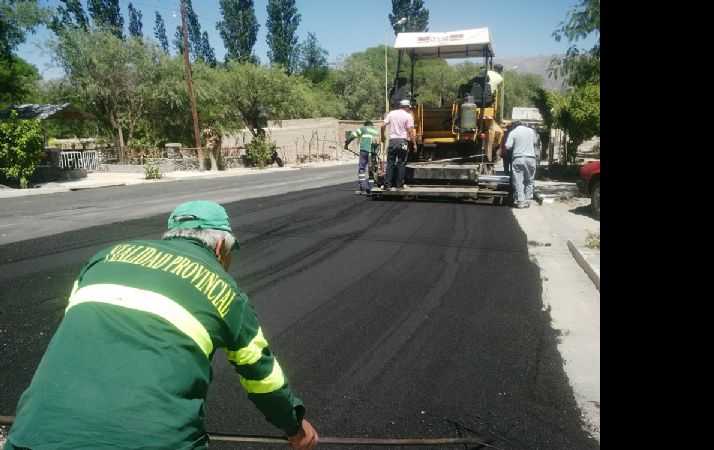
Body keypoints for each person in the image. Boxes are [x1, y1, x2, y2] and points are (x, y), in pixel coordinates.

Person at [5, 200, 319, 450]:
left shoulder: (104, 258)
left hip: (34, 434)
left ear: (170, 235)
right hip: (153, 440)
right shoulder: (227, 293)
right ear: (221, 246)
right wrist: (294, 425)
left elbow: (77, 324)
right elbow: (262, 375)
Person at [381, 99, 417, 190]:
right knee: (401, 163)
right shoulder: (408, 116)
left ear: (400, 106)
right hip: (402, 142)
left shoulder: (391, 114)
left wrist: (382, 136)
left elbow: (382, 126)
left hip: (392, 141)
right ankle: (399, 185)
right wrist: (414, 144)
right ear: (408, 107)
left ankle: (387, 185)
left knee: (390, 163)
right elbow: (410, 131)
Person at [505, 121, 540, 208]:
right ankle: (527, 201)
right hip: (531, 158)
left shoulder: (513, 132)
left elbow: (507, 147)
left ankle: (520, 202)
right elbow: (535, 142)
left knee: (518, 181)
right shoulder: (531, 131)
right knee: (529, 180)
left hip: (518, 158)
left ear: (514, 126)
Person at [345, 120, 382, 195]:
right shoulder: (376, 131)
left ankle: (363, 189)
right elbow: (378, 144)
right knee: (371, 170)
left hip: (364, 150)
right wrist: (376, 153)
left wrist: (346, 144)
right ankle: (371, 188)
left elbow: (352, 136)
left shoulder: (363, 128)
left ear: (365, 125)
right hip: (373, 152)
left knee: (362, 169)